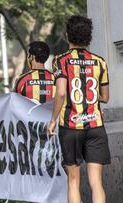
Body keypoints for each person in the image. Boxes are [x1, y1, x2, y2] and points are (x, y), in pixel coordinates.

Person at [47, 15, 110, 203]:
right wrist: (89, 98)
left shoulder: (61, 60)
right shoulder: (100, 61)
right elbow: (105, 97)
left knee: (73, 182)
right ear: (88, 37)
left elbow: (60, 94)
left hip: (70, 127)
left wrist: (52, 121)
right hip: (95, 126)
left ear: (67, 35)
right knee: (96, 183)